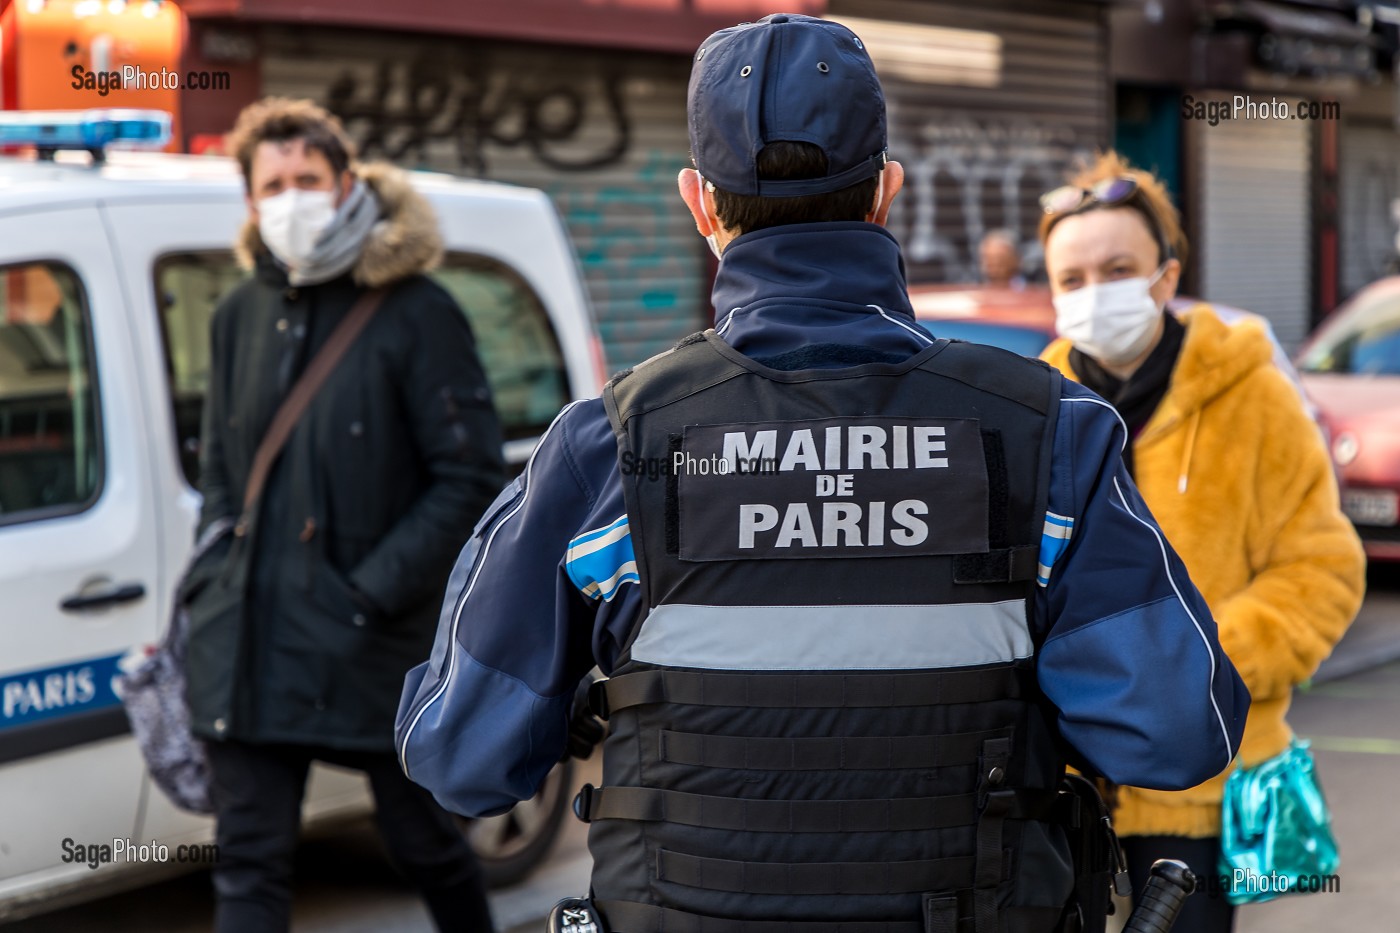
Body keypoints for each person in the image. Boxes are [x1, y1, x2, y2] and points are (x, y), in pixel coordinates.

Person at [397, 16, 1248, 933]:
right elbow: (1175, 727)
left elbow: (460, 757)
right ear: (887, 192)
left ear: (699, 203)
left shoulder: (601, 449)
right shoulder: (1053, 436)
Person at [188, 97, 504, 932]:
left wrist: (364, 594)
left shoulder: (416, 310)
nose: (291, 198)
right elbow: (222, 472)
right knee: (248, 864)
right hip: (250, 641)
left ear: (346, 183)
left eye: (309, 179)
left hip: (371, 644)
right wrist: (209, 584)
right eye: (273, 184)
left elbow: (468, 476)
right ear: (251, 201)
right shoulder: (237, 315)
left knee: (424, 842)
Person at [1037, 152, 1366, 932]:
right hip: (1071, 779)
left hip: (1206, 775)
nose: (1095, 293)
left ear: (1166, 275)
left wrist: (1202, 665)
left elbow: (1322, 568)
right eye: (1072, 279)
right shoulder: (1038, 407)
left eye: (1118, 268)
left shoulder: (1252, 392)